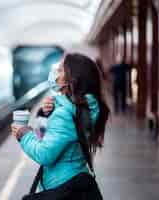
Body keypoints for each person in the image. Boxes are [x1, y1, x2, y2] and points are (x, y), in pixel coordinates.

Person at [11, 53, 110, 200]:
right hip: (78, 176)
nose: (56, 72)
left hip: (60, 185)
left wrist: (24, 134)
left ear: (72, 79)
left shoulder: (65, 114)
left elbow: (44, 153)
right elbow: (47, 136)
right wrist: (46, 114)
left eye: (61, 69)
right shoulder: (88, 107)